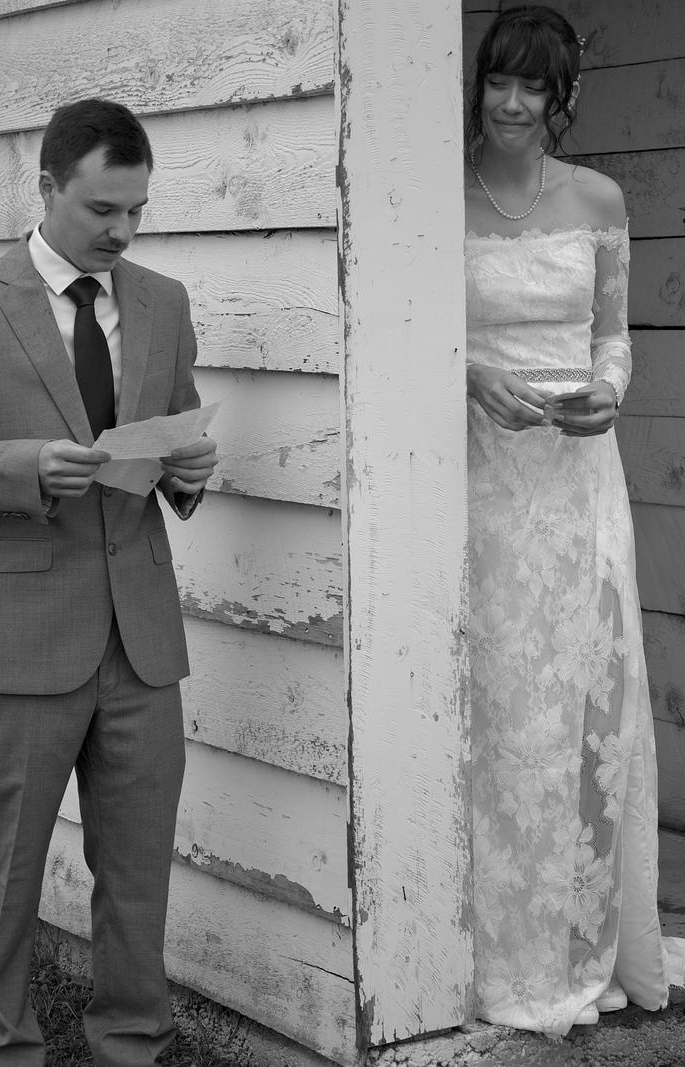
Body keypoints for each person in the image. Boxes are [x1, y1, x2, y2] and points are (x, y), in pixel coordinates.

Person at [0, 98, 217, 1066]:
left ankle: (132, 1041)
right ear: (46, 189)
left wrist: (190, 472)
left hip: (141, 641)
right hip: (22, 635)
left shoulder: (163, 302)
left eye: (136, 211)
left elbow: (176, 432)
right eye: (102, 209)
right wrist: (24, 465)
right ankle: (0, 1050)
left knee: (138, 872)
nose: (122, 232)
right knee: (3, 873)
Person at [464, 5, 685, 1037]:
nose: (511, 104)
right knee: (503, 702)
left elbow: (612, 334)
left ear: (563, 98)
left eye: (532, 87)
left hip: (577, 476)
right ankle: (496, 941)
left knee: (588, 702)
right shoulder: (434, 198)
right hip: (482, 479)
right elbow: (409, 333)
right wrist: (469, 377)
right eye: (497, 81)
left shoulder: (597, 198)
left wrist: (608, 390)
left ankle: (586, 941)